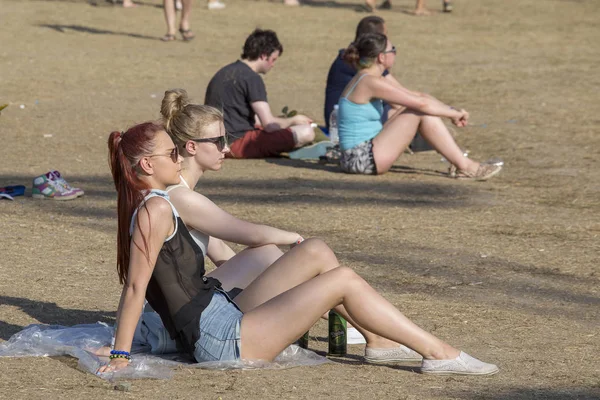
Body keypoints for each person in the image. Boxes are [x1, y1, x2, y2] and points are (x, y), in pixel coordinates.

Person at [98, 121, 499, 375]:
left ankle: (379, 343)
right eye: (171, 153)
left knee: (316, 251)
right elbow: (136, 288)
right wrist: (120, 353)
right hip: (219, 340)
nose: (177, 159)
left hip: (221, 313)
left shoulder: (158, 204)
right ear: (147, 165)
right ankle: (438, 352)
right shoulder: (155, 211)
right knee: (342, 279)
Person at [337, 33, 502, 179]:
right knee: (419, 111)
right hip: (360, 159)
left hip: (361, 154)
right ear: (381, 57)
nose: (395, 52)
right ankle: (466, 167)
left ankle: (462, 164)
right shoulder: (369, 82)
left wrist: (453, 110)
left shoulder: (370, 77)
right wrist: (452, 115)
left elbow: (419, 97)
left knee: (418, 109)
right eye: (392, 49)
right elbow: (420, 104)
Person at [204, 29, 317, 159]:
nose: (273, 65)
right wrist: (293, 120)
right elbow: (268, 124)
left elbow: (256, 119)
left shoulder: (225, 72)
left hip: (216, 142)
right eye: (273, 59)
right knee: (306, 132)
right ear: (264, 55)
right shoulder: (252, 78)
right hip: (238, 144)